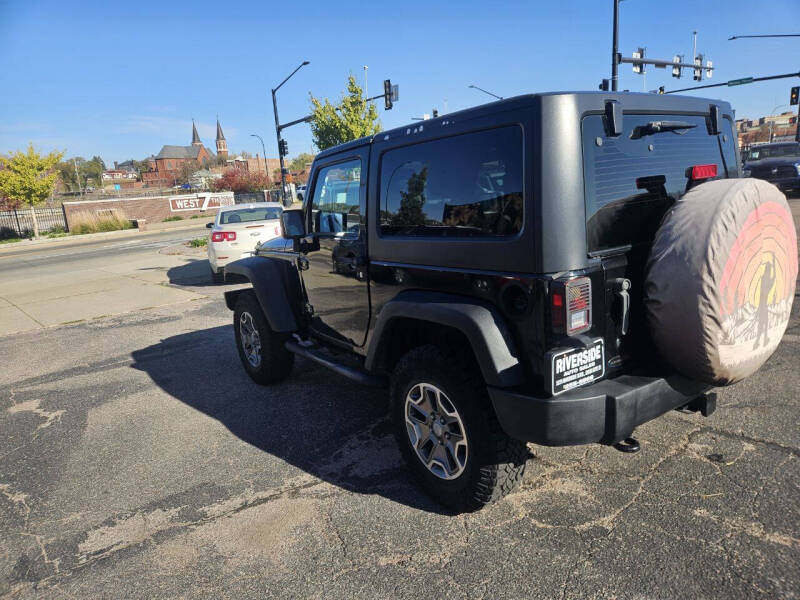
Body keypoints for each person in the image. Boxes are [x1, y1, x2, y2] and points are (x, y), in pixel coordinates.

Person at [753, 253, 776, 350]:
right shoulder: (766, 280)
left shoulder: (764, 278)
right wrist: (773, 262)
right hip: (763, 305)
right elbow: (773, 277)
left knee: (763, 323)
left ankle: (760, 340)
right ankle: (759, 341)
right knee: (763, 323)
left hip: (762, 304)